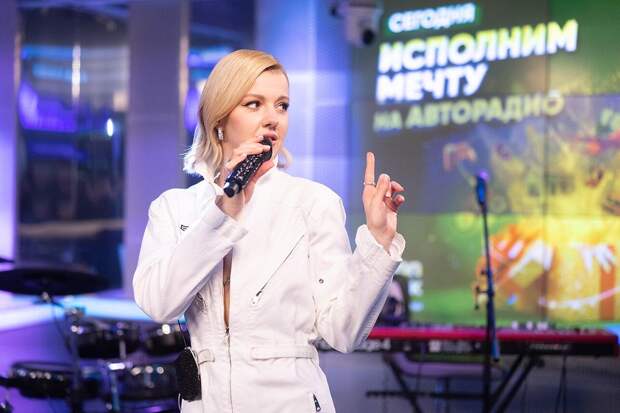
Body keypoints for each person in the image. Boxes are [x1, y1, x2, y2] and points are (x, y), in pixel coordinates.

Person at [133, 49, 406, 413]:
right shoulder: (174, 208)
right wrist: (223, 213)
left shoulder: (312, 202)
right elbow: (159, 304)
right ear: (219, 118)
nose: (272, 118)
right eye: (254, 104)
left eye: (282, 106)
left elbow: (343, 331)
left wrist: (378, 242)